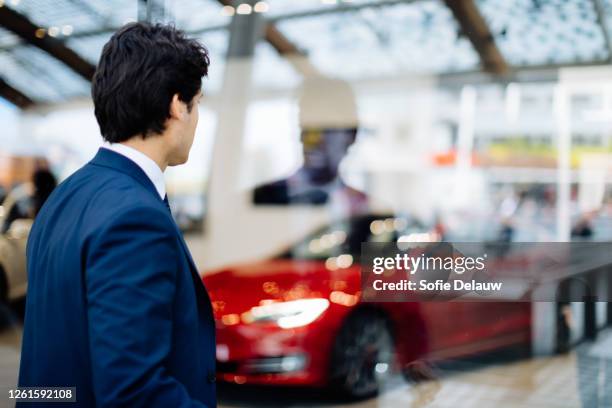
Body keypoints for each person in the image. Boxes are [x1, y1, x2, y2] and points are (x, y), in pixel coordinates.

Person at [18, 23, 215, 407]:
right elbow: (134, 391)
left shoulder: (66, 196)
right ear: (177, 105)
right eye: (198, 102)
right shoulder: (137, 219)